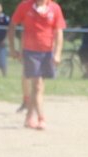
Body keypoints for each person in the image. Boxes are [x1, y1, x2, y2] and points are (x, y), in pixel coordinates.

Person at [7, 0, 65, 130]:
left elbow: (59, 32)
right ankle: (41, 118)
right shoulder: (25, 6)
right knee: (37, 85)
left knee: (38, 87)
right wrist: (12, 48)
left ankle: (29, 117)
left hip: (47, 52)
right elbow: (12, 25)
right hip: (30, 51)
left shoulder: (54, 8)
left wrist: (58, 53)